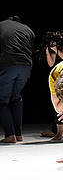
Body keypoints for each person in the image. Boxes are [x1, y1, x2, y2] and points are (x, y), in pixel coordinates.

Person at [0, 15, 35, 143]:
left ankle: (10, 135)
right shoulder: (28, 29)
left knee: (2, 101)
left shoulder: (1, 25)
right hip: (26, 66)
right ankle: (19, 135)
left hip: (8, 64)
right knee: (16, 98)